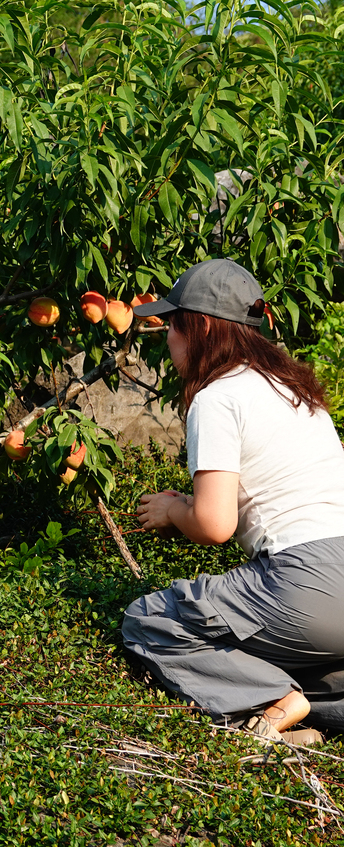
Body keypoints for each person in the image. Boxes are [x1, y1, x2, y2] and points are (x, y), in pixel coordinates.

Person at [122, 258, 344, 745]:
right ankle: (310, 709)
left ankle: (271, 700)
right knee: (311, 655)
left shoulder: (218, 397)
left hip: (303, 580)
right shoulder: (296, 391)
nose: (168, 338)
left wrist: (173, 510)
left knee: (148, 619)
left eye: (173, 324)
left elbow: (214, 524)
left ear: (201, 327)